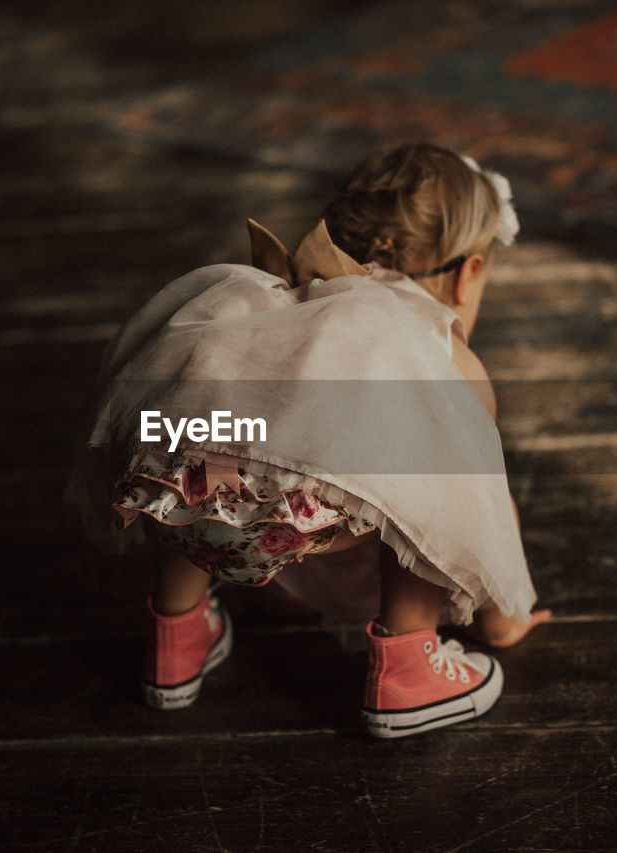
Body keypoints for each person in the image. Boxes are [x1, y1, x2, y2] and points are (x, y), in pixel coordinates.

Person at [73, 143, 550, 738]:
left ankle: (176, 641)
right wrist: (506, 620)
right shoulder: (439, 350)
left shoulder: (263, 300)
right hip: (293, 518)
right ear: (470, 270)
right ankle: (407, 671)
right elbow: (481, 515)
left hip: (171, 498)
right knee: (442, 482)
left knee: (202, 428)